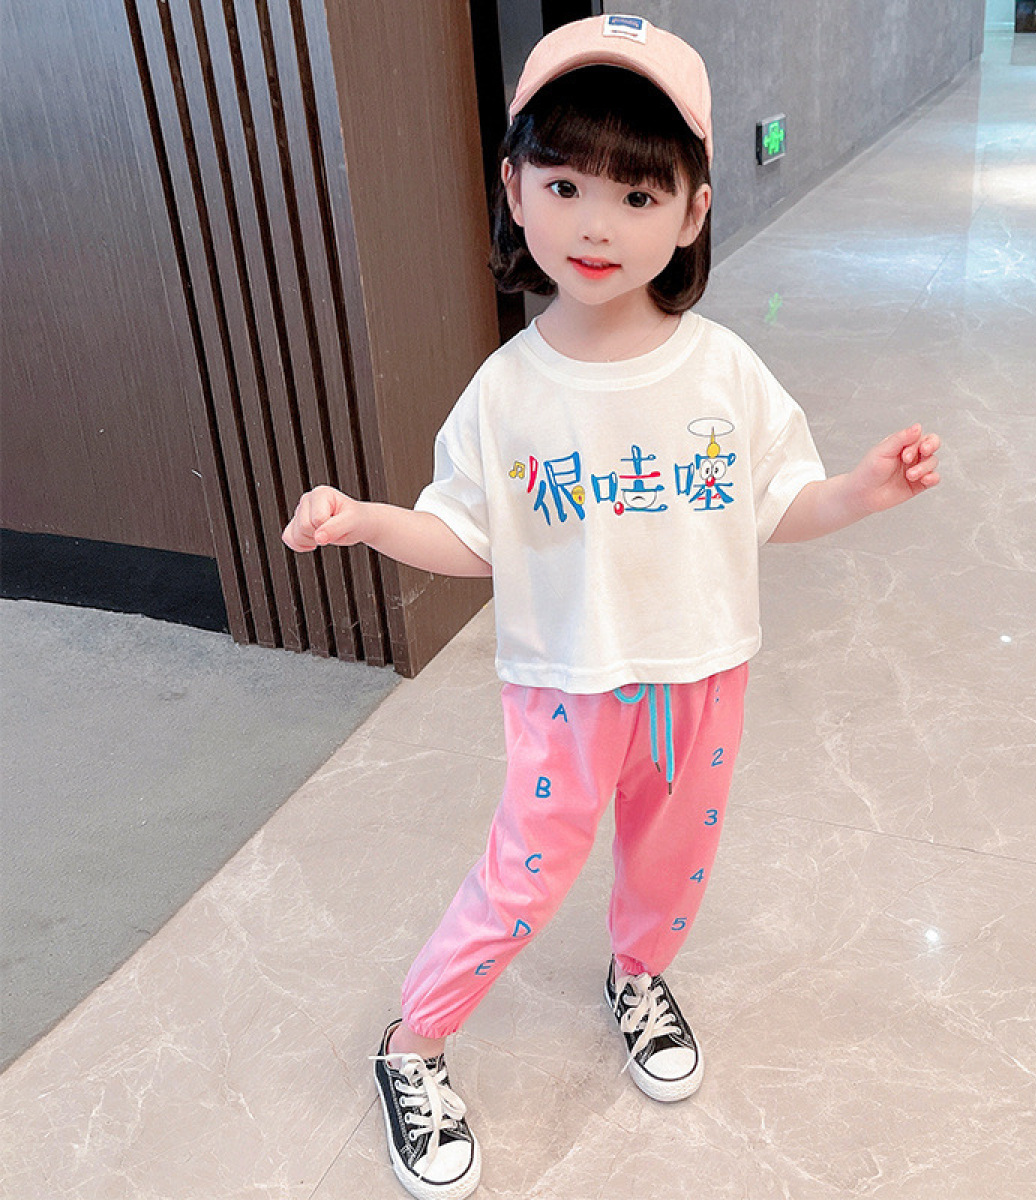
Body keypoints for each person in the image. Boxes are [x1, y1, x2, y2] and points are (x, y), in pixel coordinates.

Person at [282, 15, 941, 1200]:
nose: (596, 224)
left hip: (704, 674)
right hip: (567, 686)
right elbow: (471, 536)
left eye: (638, 195)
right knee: (527, 874)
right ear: (515, 191)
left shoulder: (723, 370)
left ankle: (638, 976)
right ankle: (413, 1042)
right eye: (566, 184)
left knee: (674, 861)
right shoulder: (507, 393)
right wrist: (370, 520)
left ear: (692, 212)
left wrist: (858, 493)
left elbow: (770, 503)